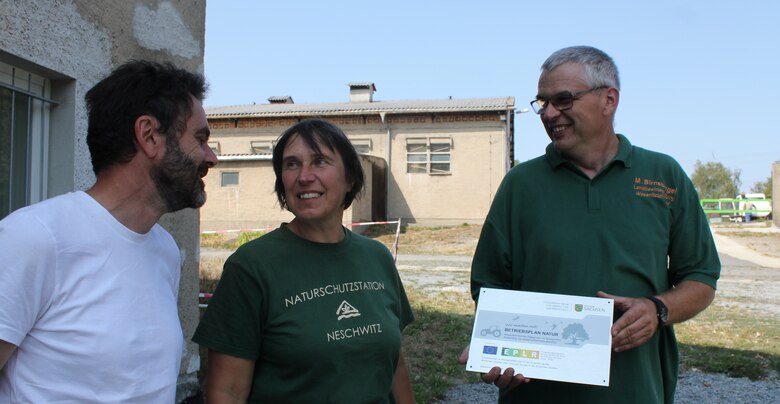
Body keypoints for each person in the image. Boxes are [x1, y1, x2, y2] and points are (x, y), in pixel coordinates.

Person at [458, 46, 721, 403]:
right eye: (543, 102)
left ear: (609, 100)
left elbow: (702, 277)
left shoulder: (663, 175)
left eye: (563, 100)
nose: (549, 114)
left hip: (636, 391)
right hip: (536, 393)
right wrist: (502, 349)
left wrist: (658, 310)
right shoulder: (521, 184)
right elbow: (489, 283)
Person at [0, 60, 217, 402]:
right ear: (149, 135)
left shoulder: (165, 250)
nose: (211, 156)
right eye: (200, 138)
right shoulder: (35, 237)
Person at [193, 119, 415, 403]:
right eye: (292, 164)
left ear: (350, 178)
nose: (304, 176)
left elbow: (394, 365)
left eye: (320, 161)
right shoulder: (251, 267)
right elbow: (227, 393)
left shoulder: (377, 257)